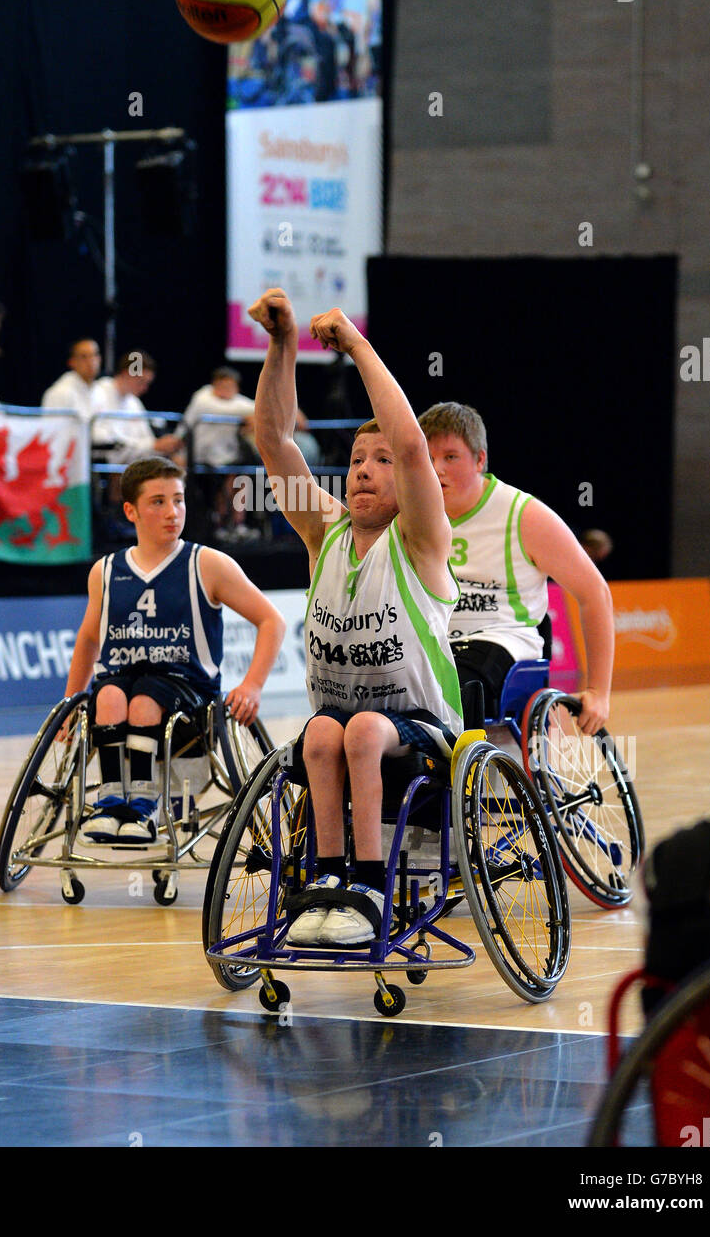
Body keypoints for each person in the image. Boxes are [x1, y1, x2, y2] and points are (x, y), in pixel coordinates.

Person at [249, 287, 462, 948]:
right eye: (354, 463)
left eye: (379, 464)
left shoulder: (422, 541)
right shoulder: (325, 535)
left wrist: (357, 345)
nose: (364, 472)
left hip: (425, 735)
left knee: (362, 730)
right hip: (342, 728)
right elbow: (274, 438)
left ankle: (370, 885)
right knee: (320, 734)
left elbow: (409, 443)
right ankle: (329, 880)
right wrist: (282, 347)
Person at [62, 455, 286, 845]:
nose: (172, 511)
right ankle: (113, 801)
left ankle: (144, 806)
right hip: (123, 680)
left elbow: (272, 620)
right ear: (130, 510)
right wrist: (68, 702)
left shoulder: (207, 564)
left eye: (178, 500)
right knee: (110, 695)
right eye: (158, 502)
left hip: (187, 692)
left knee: (146, 700)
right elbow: (88, 640)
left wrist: (252, 684)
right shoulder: (106, 570)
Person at [418, 402, 614, 735]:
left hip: (502, 642)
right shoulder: (411, 515)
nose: (437, 469)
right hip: (436, 646)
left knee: (454, 691)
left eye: (450, 457)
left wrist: (599, 691)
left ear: (480, 460)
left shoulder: (524, 515)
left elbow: (594, 592)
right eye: (428, 457)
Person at [176, 367, 257, 539]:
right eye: (222, 386)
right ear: (213, 385)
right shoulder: (202, 398)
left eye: (230, 387)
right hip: (200, 458)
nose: (225, 391)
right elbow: (245, 409)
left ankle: (237, 524)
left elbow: (255, 409)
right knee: (224, 483)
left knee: (239, 480)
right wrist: (252, 415)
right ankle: (219, 524)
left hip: (228, 458)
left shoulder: (240, 403)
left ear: (236, 389)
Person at [90, 350, 182, 466]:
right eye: (141, 382)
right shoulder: (98, 393)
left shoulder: (134, 402)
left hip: (132, 465)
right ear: (126, 373)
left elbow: (147, 439)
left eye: (147, 383)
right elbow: (103, 441)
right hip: (108, 466)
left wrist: (164, 447)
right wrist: (152, 445)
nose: (145, 388)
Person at [41, 339, 102, 419]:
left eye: (95, 355)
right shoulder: (60, 393)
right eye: (84, 357)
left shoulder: (100, 392)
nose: (91, 361)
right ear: (72, 362)